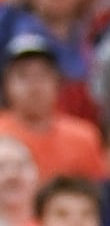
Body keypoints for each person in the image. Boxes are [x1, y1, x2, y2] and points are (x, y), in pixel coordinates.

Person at [0, 34, 104, 184]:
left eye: (42, 75)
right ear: (6, 85)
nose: (34, 86)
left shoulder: (84, 138)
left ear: (58, 82)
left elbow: (98, 194)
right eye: (23, 76)